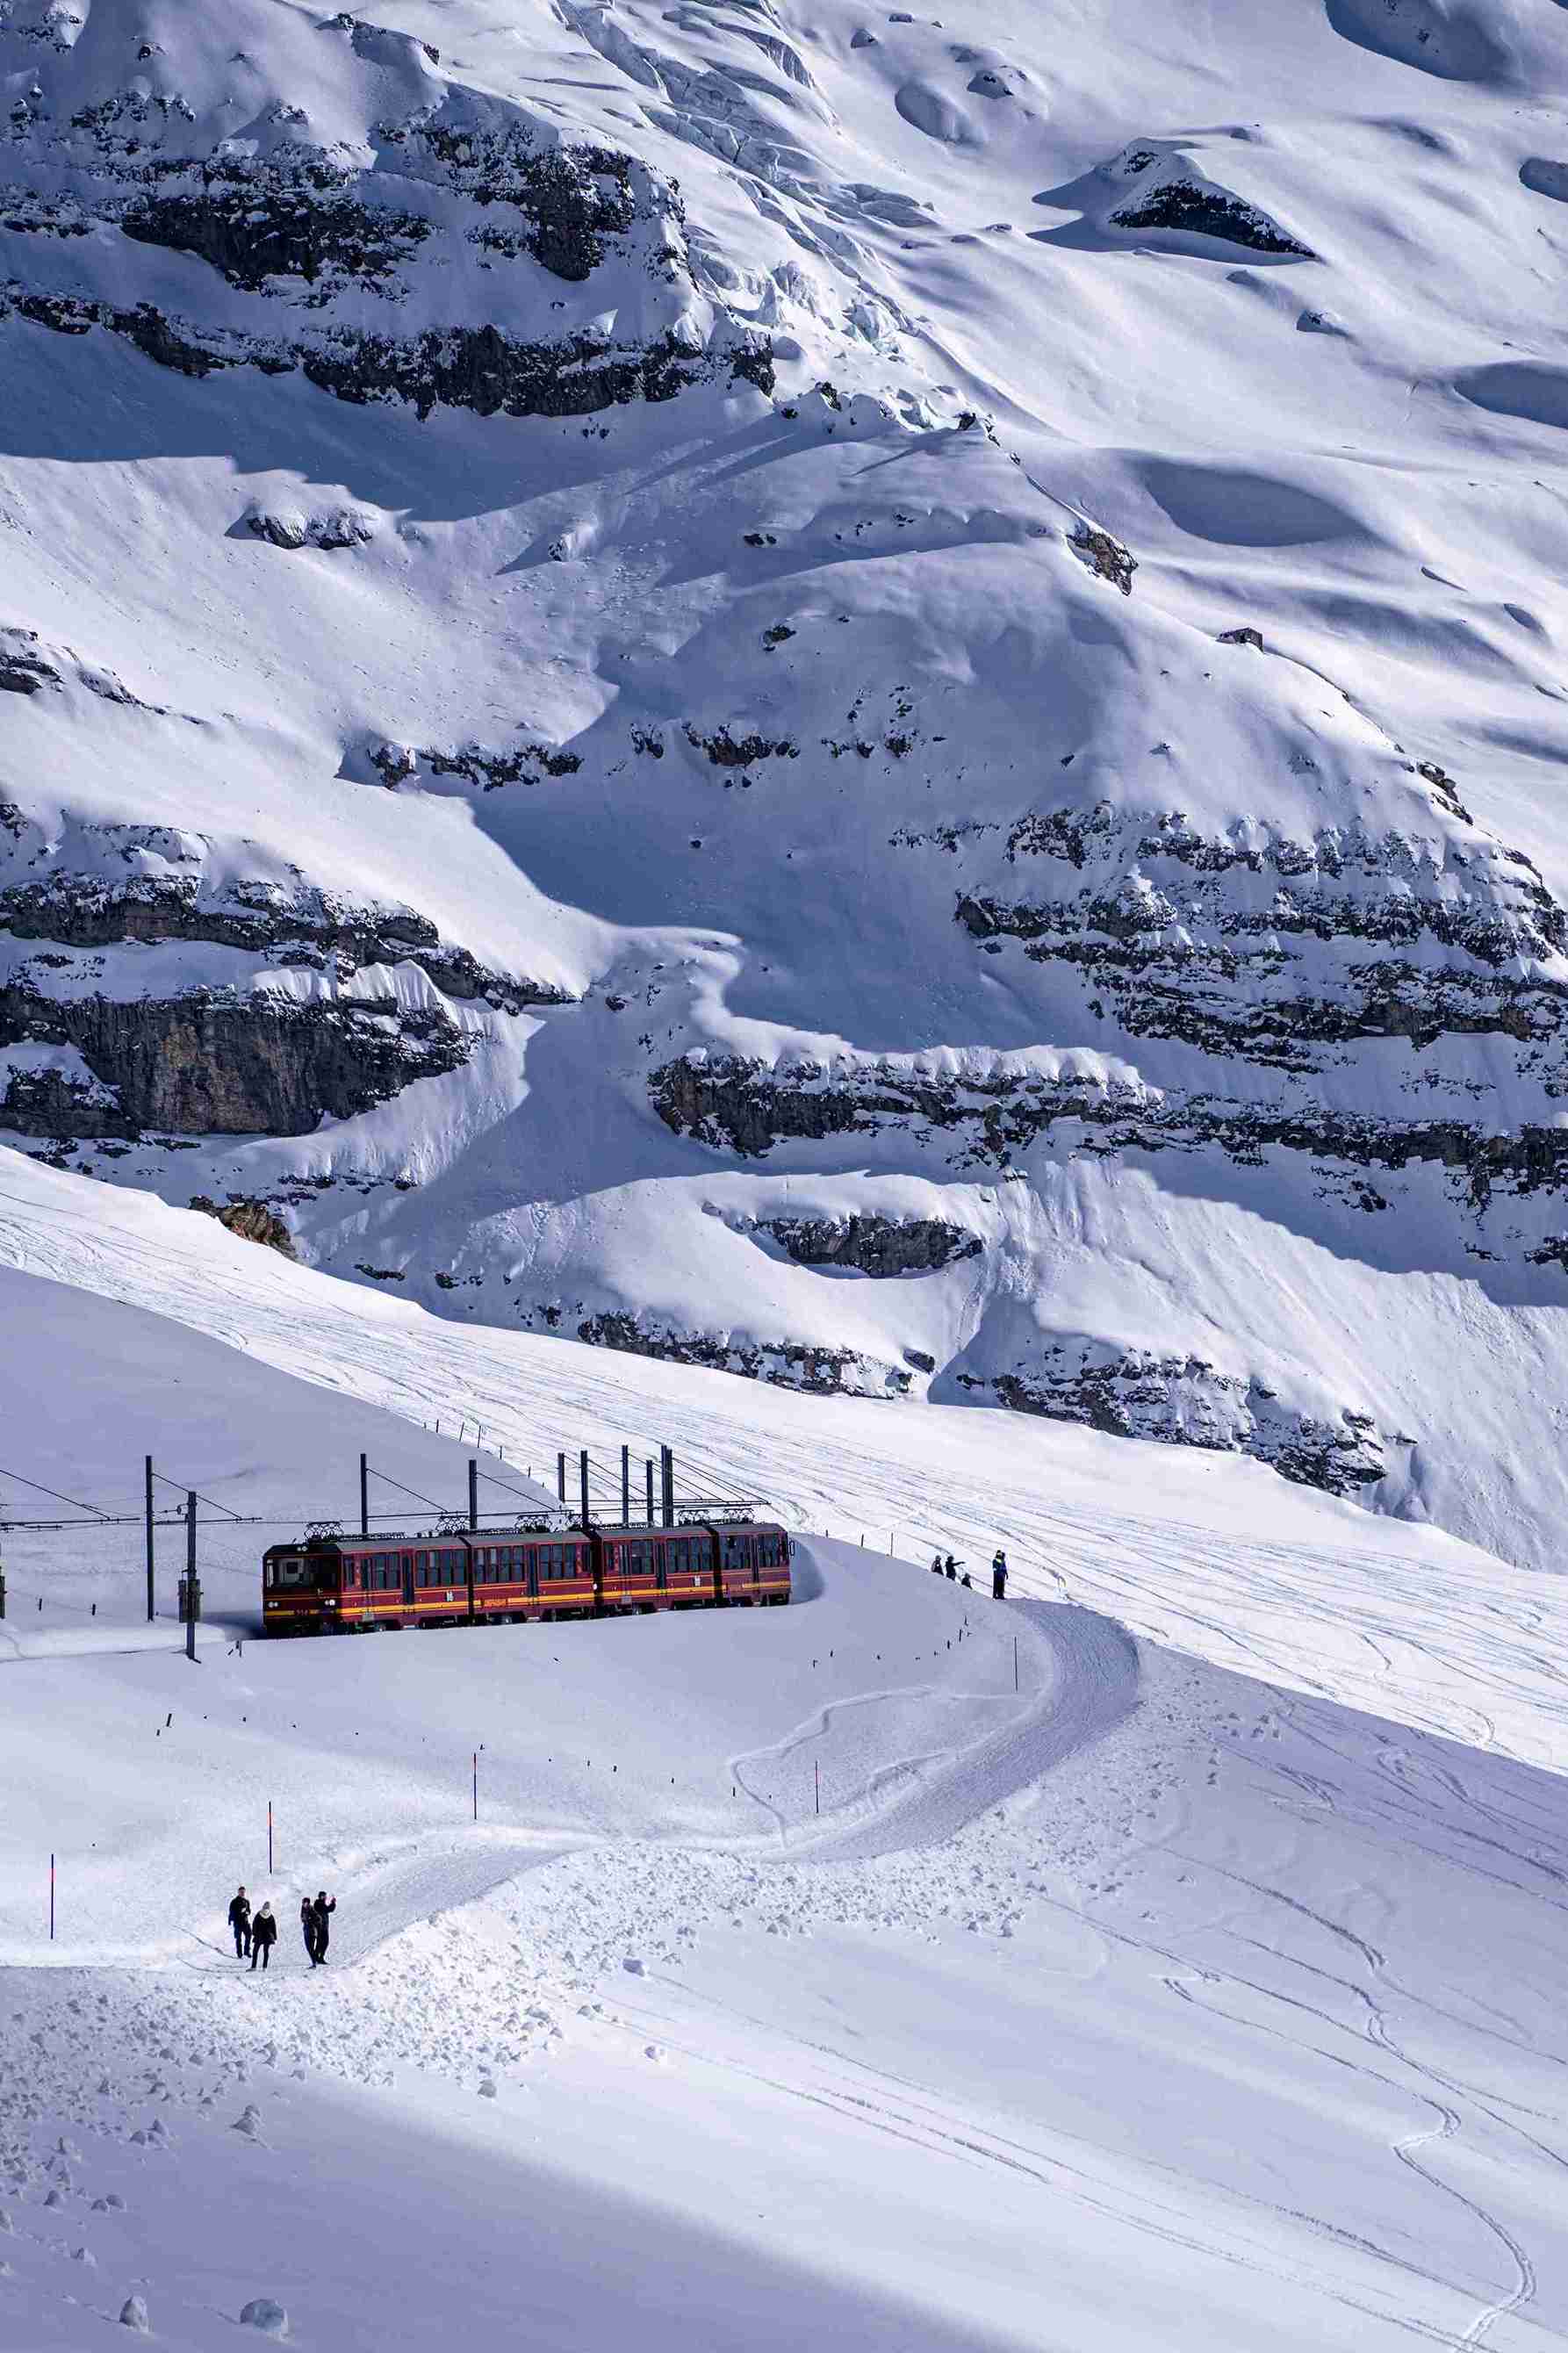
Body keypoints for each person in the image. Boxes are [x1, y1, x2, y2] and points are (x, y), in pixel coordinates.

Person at [310, 1890, 336, 1966]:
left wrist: (333, 1903)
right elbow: (326, 1909)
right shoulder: (318, 1903)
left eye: (325, 1896)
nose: (324, 1897)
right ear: (320, 1896)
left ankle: (320, 1957)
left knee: (325, 1942)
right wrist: (332, 1903)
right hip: (320, 1927)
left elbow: (330, 1909)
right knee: (320, 1942)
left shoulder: (322, 1904)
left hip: (324, 1926)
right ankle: (317, 1957)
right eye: (323, 1896)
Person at [249, 1903, 277, 1971]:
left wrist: (254, 1933)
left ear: (263, 1906)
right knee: (266, 1951)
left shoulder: (259, 1914)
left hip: (259, 1935)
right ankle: (265, 1967)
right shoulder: (271, 1916)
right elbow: (273, 1927)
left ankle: (253, 1967)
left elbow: (254, 1924)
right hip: (268, 1936)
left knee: (255, 1951)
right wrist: (274, 1936)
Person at [227, 1885, 251, 1960]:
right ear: (238, 1892)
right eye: (241, 1892)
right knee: (238, 1938)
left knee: (249, 1935)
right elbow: (231, 1911)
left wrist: (247, 1912)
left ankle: (247, 1951)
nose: (242, 1893)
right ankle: (239, 1953)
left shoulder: (247, 1901)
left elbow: (249, 1911)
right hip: (238, 1923)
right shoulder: (234, 1901)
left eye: (243, 1892)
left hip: (245, 1922)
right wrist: (239, 1912)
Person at [301, 1894, 318, 1965]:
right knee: (308, 1948)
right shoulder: (303, 1909)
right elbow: (302, 1918)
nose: (304, 1904)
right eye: (303, 1903)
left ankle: (314, 1963)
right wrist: (304, 1919)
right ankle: (314, 1961)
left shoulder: (311, 1909)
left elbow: (317, 1918)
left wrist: (310, 1920)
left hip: (312, 1931)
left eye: (305, 1903)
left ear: (308, 1903)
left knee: (310, 1948)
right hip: (306, 1930)